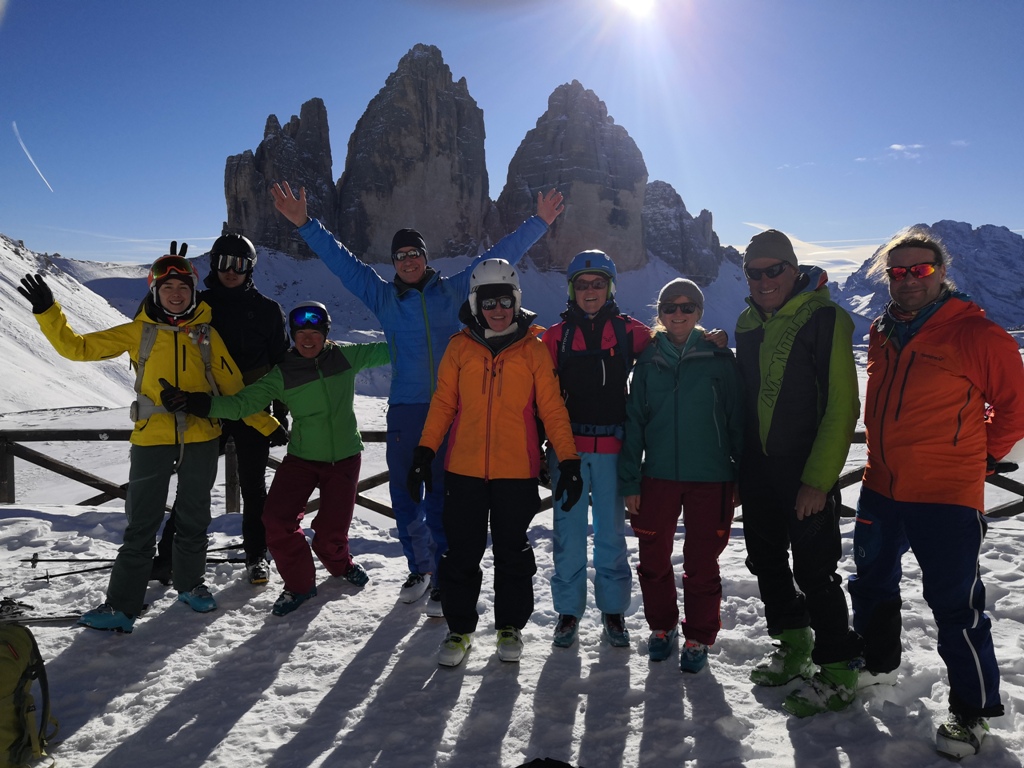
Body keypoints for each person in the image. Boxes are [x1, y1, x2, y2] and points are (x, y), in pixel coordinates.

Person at [272, 182, 564, 615]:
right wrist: (305, 224)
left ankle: (444, 576)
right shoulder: (384, 297)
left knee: (443, 496)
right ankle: (418, 568)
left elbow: (498, 258)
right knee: (405, 493)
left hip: (452, 410)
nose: (408, 261)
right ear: (394, 263)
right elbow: (343, 264)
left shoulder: (453, 290)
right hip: (406, 411)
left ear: (425, 257)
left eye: (415, 253)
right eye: (401, 256)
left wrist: (539, 222)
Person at [16, 246, 280, 632]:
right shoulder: (138, 332)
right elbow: (78, 348)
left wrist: (267, 425)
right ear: (155, 291)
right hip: (151, 436)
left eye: (183, 287)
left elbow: (234, 389)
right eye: (167, 287)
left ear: (193, 291)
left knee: (194, 518)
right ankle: (122, 605)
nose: (176, 294)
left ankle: (191, 584)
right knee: (141, 522)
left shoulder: (206, 335)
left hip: (201, 437)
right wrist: (48, 312)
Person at [848, 227, 1024, 758]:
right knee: (871, 584)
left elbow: (1014, 407)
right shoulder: (882, 330)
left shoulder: (977, 334)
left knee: (955, 605)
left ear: (942, 272)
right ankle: (877, 666)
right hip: (881, 485)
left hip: (945, 494)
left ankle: (972, 712)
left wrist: (980, 457)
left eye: (920, 269)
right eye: (897, 271)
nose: (908, 280)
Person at [161, 301, 391, 616]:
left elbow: (393, 349)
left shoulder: (346, 357)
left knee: (332, 533)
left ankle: (341, 565)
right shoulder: (283, 373)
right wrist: (199, 404)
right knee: (276, 520)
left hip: (345, 458)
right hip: (302, 459)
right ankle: (300, 585)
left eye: (315, 332)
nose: (307, 339)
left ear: (326, 333)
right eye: (300, 333)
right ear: (292, 335)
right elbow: (243, 404)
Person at [406, 259, 583, 667]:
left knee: (512, 553)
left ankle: (510, 627)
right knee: (461, 553)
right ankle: (459, 630)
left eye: (505, 300)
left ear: (516, 301)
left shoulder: (534, 349)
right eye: (488, 302)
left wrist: (569, 460)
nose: (498, 309)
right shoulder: (459, 347)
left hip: (516, 471)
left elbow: (552, 409)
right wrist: (424, 451)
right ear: (476, 304)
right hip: (464, 470)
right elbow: (444, 404)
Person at [734, 229, 862, 716]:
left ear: (793, 270)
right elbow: (744, 401)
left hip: (805, 469)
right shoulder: (747, 323)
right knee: (765, 560)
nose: (764, 279)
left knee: (815, 570)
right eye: (754, 272)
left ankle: (838, 668)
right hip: (759, 469)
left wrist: (819, 480)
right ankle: (793, 642)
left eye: (774, 270)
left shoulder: (824, 317)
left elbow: (842, 405)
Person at [619, 279, 743, 672]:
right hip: (657, 475)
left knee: (702, 562)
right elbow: (634, 423)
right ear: (659, 312)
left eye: (687, 307)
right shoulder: (647, 360)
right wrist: (630, 481)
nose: (678, 314)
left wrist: (740, 475)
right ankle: (662, 627)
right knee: (652, 558)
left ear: (699, 312)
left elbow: (736, 419)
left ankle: (698, 636)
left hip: (711, 475)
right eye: (670, 307)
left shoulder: (719, 358)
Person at [153, 233, 290, 586]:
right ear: (214, 264)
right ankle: (168, 558)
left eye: (240, 264)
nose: (231, 270)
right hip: (206, 406)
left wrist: (280, 413)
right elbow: (159, 320)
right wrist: (171, 273)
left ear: (250, 268)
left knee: (253, 488)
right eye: (224, 262)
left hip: (252, 409)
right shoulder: (198, 305)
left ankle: (257, 556)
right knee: (193, 487)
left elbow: (281, 365)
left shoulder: (267, 310)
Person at [540, 250, 651, 649]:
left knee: (610, 534)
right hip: (567, 451)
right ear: (572, 289)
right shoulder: (555, 337)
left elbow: (672, 342)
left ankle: (613, 611)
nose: (590, 291)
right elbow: (539, 394)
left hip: (612, 449)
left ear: (610, 287)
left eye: (598, 283)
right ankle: (568, 612)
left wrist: (709, 338)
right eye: (582, 284)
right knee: (568, 534)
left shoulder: (629, 331)